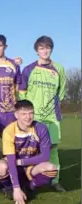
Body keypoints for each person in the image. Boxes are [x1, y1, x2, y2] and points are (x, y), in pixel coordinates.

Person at [18, 36, 66, 192]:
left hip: (52, 117)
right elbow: (22, 94)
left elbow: (61, 93)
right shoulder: (29, 69)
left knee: (52, 149)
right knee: (31, 148)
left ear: (51, 49)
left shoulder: (58, 69)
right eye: (41, 48)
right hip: (34, 117)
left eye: (48, 48)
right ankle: (29, 178)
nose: (45, 51)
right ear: (36, 51)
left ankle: (55, 181)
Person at [0, 100, 58, 204]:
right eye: (24, 114)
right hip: (14, 166)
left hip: (31, 166)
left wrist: (20, 162)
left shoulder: (41, 128)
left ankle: (30, 187)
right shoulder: (9, 131)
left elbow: (45, 156)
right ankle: (9, 189)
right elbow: (10, 160)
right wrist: (16, 188)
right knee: (1, 166)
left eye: (30, 113)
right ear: (16, 115)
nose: (28, 117)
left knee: (51, 169)